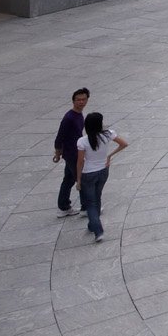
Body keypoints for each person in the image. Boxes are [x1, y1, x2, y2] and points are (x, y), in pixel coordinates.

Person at [76, 111, 127, 243]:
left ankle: (97, 230)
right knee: (97, 197)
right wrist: (109, 155)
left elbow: (80, 161)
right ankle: (92, 224)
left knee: (91, 203)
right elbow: (124, 144)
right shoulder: (108, 134)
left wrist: (78, 179)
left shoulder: (82, 141)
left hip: (88, 173)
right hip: (103, 171)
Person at [51, 88, 90, 216]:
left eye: (83, 99)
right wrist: (57, 153)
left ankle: (63, 207)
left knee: (68, 179)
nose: (81, 102)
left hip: (74, 151)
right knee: (81, 178)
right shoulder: (69, 117)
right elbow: (60, 136)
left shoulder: (79, 115)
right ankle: (86, 207)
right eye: (78, 100)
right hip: (72, 154)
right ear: (73, 101)